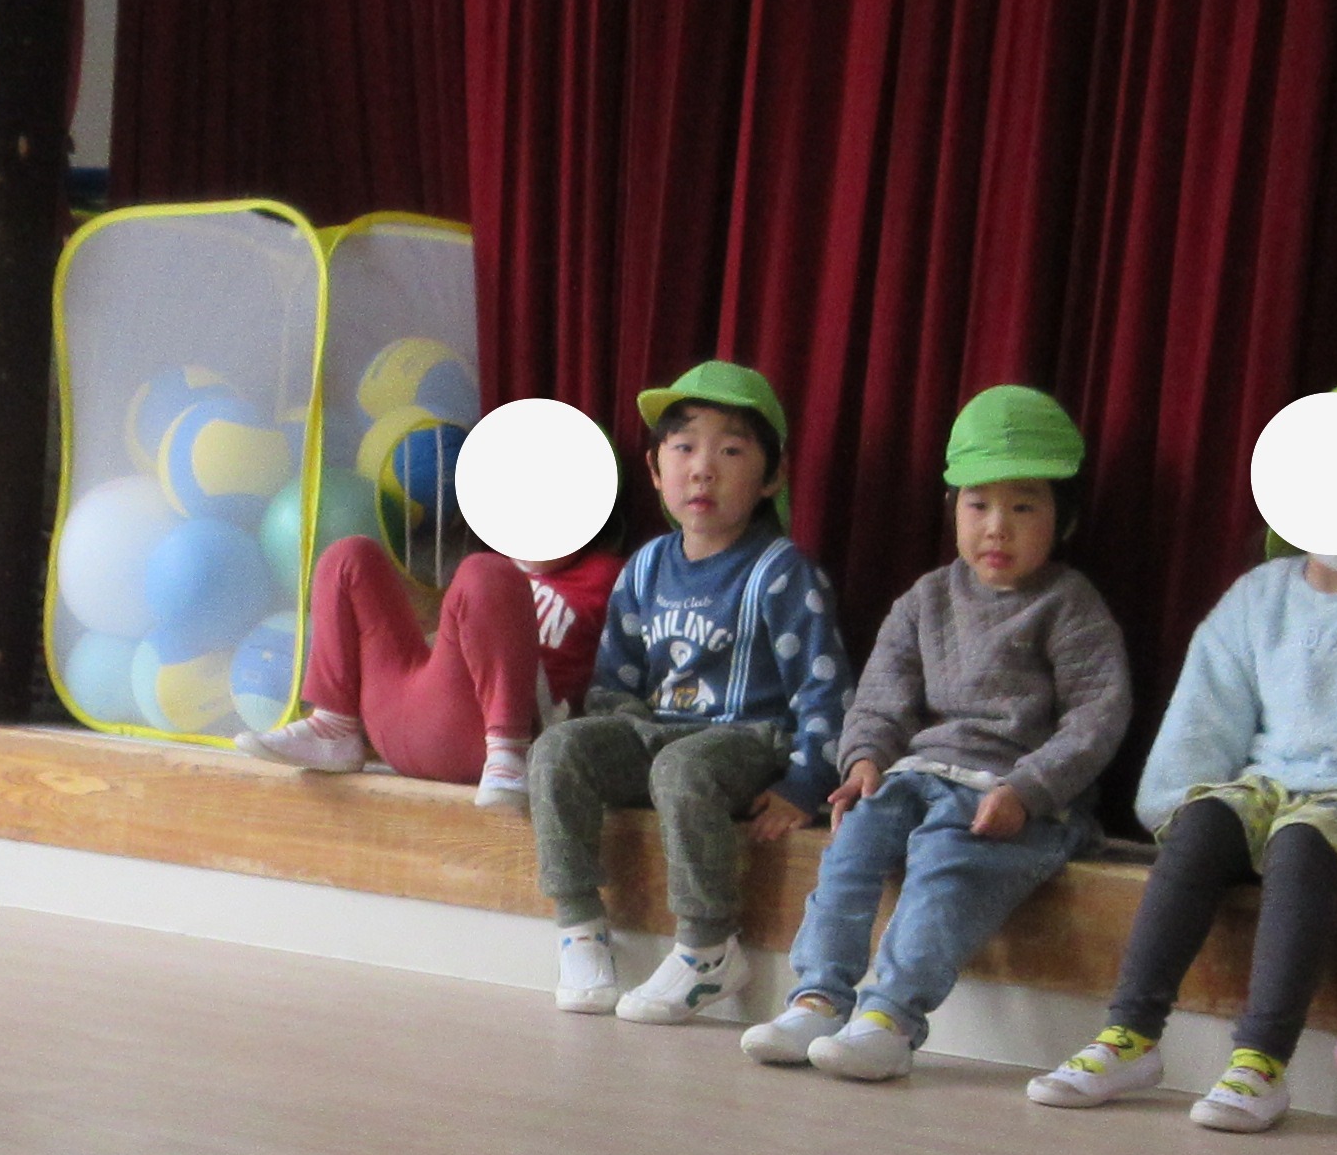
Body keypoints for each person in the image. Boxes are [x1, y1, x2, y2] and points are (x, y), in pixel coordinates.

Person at [1028, 383, 1337, 1132]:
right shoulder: (1259, 595)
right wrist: (1178, 797)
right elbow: (1209, 705)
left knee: (1303, 843)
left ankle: (1261, 1062)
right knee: (1204, 823)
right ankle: (1129, 1035)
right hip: (1264, 783)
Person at [741, 384, 1135, 1081]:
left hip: (1012, 796)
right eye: (979, 505)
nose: (997, 528)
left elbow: (1097, 717)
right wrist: (864, 761)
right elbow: (880, 697)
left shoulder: (1070, 605)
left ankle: (890, 1019)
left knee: (945, 864)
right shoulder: (926, 598)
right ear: (953, 509)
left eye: (1024, 507)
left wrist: (1028, 790)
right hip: (916, 776)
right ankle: (817, 999)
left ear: (1064, 517)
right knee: (851, 847)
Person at [535, 359, 851, 1023]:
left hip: (747, 739)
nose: (703, 469)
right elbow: (614, 681)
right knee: (558, 749)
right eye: (683, 448)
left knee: (682, 767)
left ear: (772, 476)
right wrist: (624, 733)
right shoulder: (645, 567)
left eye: (731, 451)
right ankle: (581, 929)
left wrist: (805, 784)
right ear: (655, 470)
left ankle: (708, 948)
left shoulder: (782, 573)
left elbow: (825, 689)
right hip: (658, 733)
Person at [234, 495, 618, 807]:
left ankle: (508, 753)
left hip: (492, 731)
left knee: (486, 572)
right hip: (405, 717)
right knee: (348, 555)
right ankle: (331, 727)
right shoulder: (484, 557)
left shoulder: (605, 574)